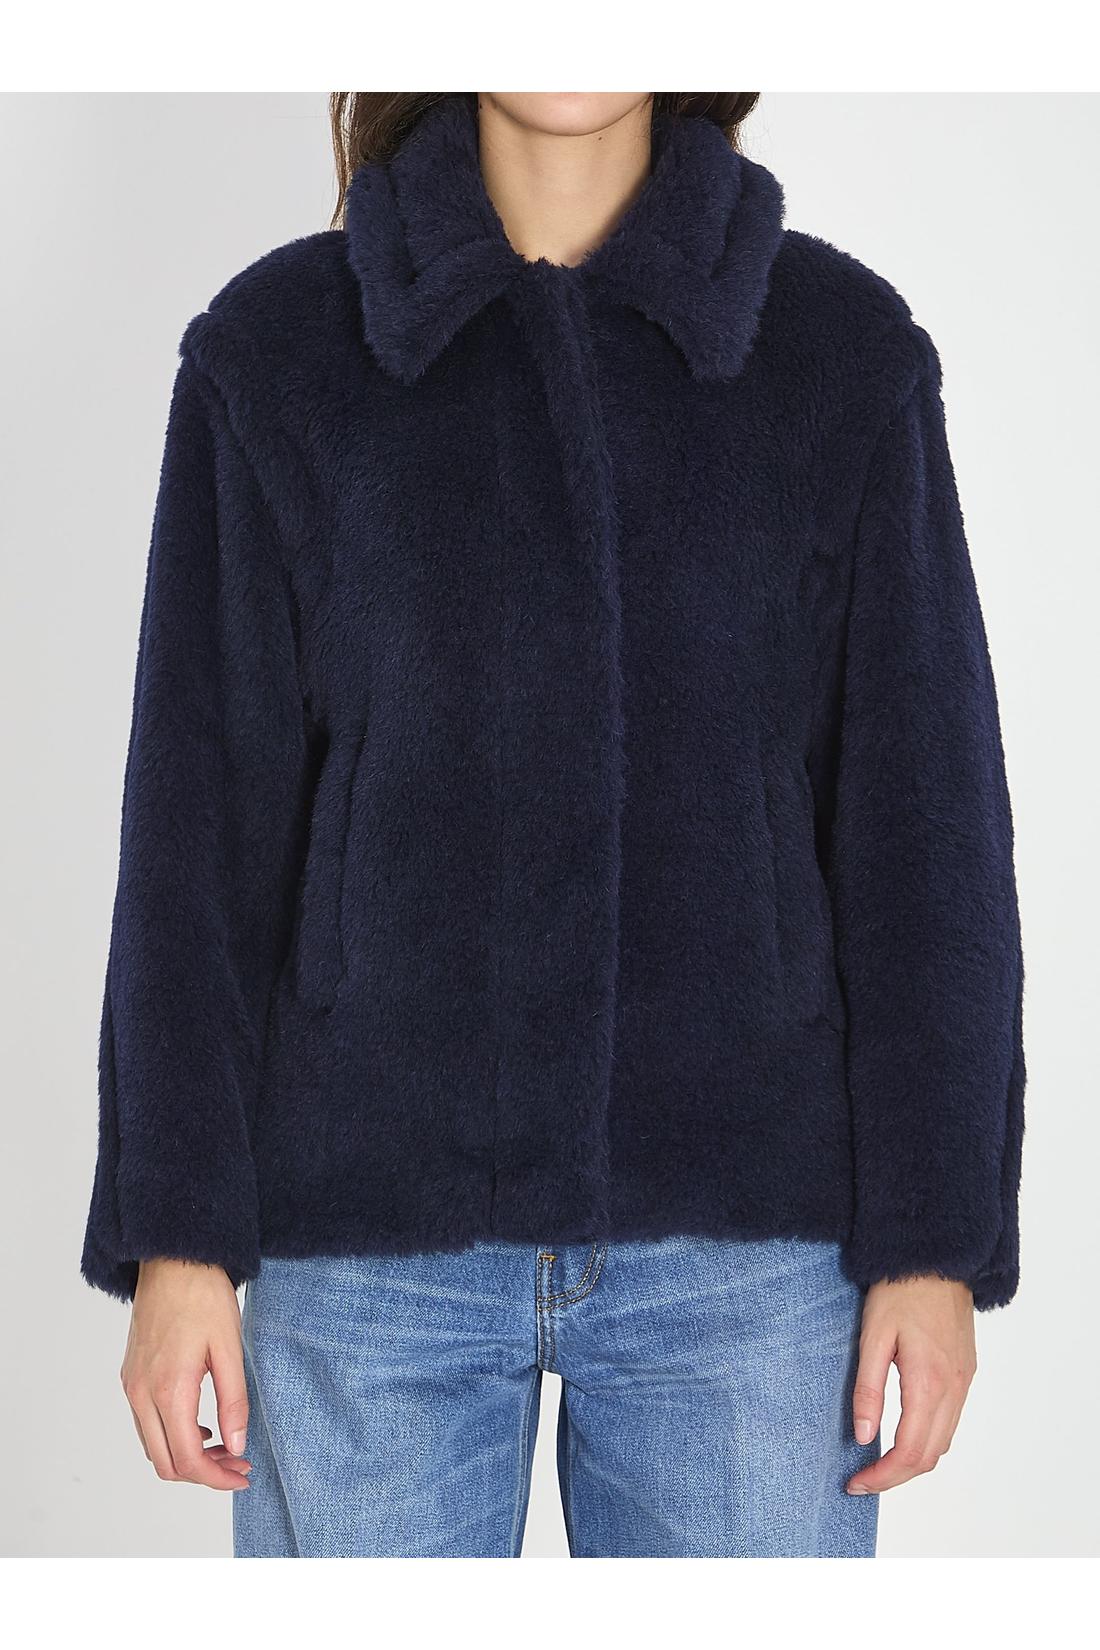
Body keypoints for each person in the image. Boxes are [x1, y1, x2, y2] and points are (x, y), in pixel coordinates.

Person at [82, 92, 1025, 1559]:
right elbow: (196, 834)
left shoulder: (838, 354)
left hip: (748, 1253)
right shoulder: (276, 355)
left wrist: (933, 1241)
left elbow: (928, 832)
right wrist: (179, 1233)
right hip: (367, 1244)